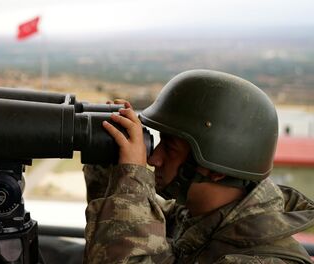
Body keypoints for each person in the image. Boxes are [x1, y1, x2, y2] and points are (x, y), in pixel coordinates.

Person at [83, 69, 314, 263]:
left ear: (213, 170)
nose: (154, 159)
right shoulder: (195, 220)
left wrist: (132, 176)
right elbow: (123, 228)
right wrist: (108, 157)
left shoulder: (262, 260)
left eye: (170, 148)